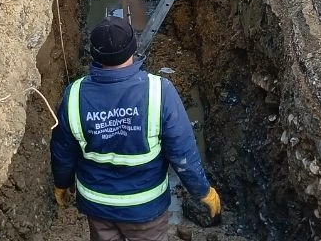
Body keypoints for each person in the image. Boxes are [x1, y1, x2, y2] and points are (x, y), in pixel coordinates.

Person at [51, 17, 221, 241]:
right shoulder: (160, 91)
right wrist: (203, 191)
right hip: (146, 209)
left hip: (98, 206)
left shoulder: (73, 95)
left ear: (94, 54)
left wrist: (61, 184)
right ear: (133, 49)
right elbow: (182, 153)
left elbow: (62, 151)